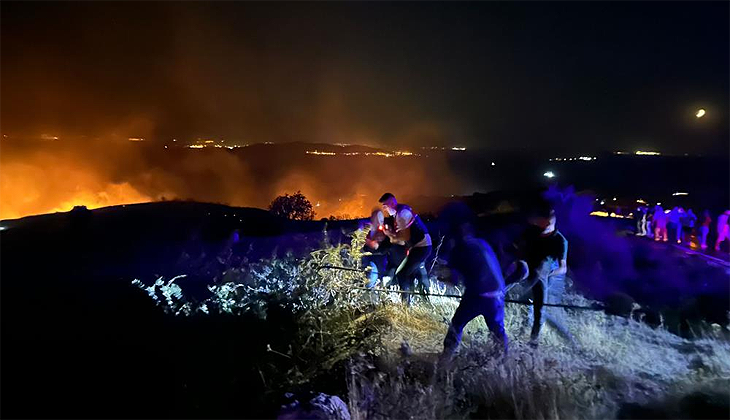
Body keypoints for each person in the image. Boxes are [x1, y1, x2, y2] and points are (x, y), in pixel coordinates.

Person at [436, 203, 508, 361]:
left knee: (457, 323)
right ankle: (504, 360)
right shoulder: (482, 243)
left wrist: (442, 277)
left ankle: (446, 357)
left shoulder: (458, 250)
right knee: (497, 330)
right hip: (498, 294)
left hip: (478, 295)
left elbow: (453, 280)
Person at [515, 205, 573, 346]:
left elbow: (563, 268)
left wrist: (547, 274)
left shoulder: (560, 240)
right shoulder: (532, 232)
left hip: (548, 278)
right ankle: (522, 333)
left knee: (540, 311)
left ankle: (535, 341)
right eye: (543, 217)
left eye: (549, 217)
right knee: (526, 305)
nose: (546, 221)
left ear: (554, 219)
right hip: (528, 273)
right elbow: (518, 247)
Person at [379, 193, 432, 305]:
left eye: (385, 205)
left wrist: (391, 236)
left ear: (392, 203)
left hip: (421, 247)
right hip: (420, 246)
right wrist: (392, 236)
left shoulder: (402, 214)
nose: (384, 208)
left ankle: (406, 305)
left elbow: (405, 238)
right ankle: (424, 300)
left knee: (401, 274)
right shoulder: (400, 212)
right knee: (415, 272)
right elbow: (404, 239)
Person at [364, 209, 407, 287]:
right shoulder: (368, 228)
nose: (378, 221)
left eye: (380, 218)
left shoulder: (385, 230)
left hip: (392, 260)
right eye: (375, 218)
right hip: (376, 258)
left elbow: (386, 246)